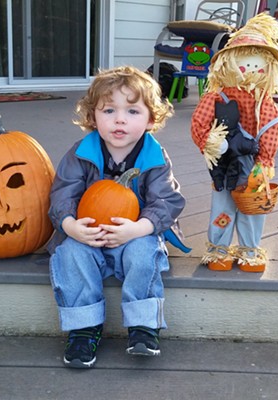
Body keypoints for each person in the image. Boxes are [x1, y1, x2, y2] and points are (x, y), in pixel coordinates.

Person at [48, 66, 186, 369]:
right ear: (92, 117)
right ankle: (83, 328)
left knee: (144, 252)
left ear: (151, 119)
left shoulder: (154, 157)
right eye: (109, 110)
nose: (120, 119)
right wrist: (71, 226)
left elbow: (167, 199)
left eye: (133, 111)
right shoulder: (79, 154)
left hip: (132, 234)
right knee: (70, 254)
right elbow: (63, 194)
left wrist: (139, 228)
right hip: (88, 234)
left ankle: (143, 326)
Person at [191, 13, 278, 273]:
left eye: (258, 66)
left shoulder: (263, 101)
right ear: (228, 63)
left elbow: (270, 129)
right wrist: (211, 142)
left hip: (253, 167)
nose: (251, 71)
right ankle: (219, 249)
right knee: (222, 205)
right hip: (222, 162)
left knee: (252, 210)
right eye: (244, 64)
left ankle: (250, 251)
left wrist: (265, 161)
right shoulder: (216, 95)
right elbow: (200, 122)